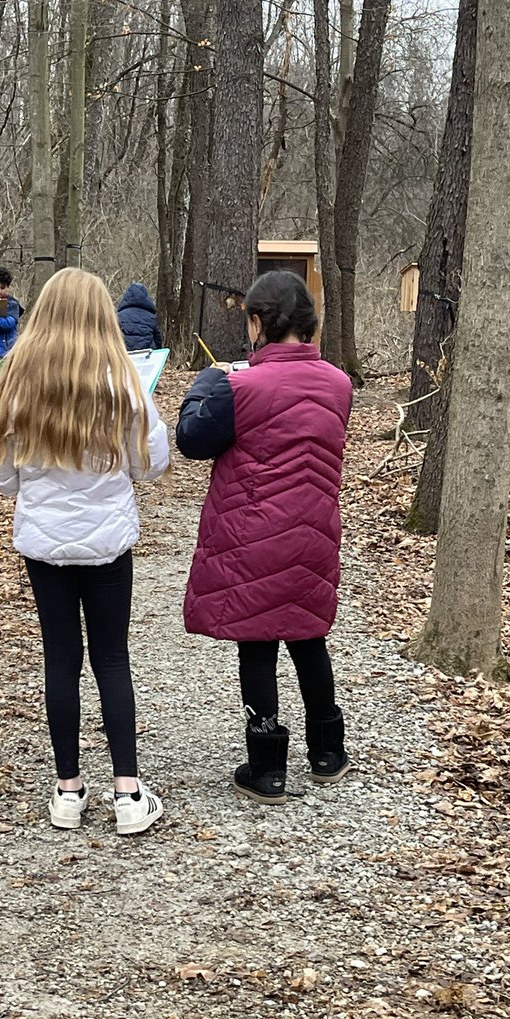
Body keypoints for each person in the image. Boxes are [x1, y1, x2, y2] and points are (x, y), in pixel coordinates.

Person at [0, 268, 170, 835]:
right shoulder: (125, 387)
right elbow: (151, 465)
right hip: (109, 544)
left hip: (44, 548)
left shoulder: (15, 385)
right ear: (100, 318)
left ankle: (67, 791)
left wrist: (37, 485)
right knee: (111, 657)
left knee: (60, 657)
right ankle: (129, 796)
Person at [175, 271, 352, 804]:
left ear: (257, 322)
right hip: (314, 529)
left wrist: (207, 382)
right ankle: (327, 752)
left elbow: (192, 440)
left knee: (257, 641)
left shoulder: (237, 387)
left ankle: (267, 765)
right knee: (307, 634)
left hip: (253, 535)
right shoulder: (339, 384)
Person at [116, 283, 163, 352]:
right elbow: (158, 339)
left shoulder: (119, 316)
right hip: (146, 355)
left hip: (125, 355)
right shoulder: (151, 317)